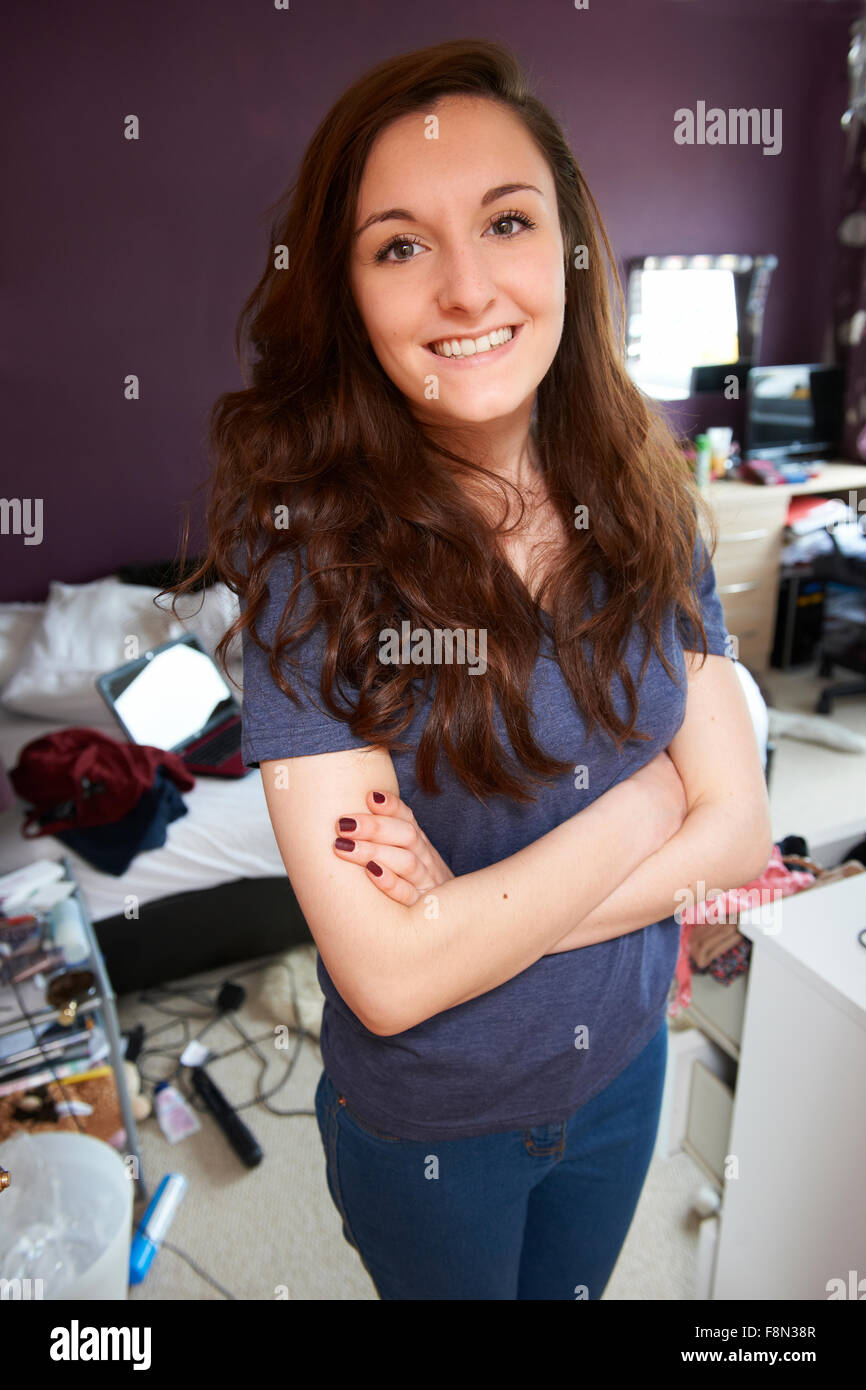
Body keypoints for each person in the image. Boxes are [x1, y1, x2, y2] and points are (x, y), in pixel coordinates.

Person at [166, 38, 773, 1300]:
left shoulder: (648, 500)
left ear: (567, 246)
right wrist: (653, 800)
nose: (462, 287)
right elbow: (389, 983)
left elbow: (742, 837)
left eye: (505, 220)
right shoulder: (312, 571)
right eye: (398, 245)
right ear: (346, 295)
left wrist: (471, 921)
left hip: (621, 1065)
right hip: (435, 1129)